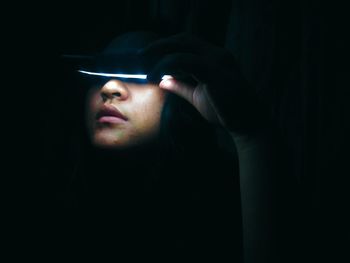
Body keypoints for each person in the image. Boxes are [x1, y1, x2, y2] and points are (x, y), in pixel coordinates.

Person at [51, 31, 280, 262]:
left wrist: (249, 135)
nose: (109, 87)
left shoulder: (225, 201)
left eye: (136, 73)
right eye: (99, 75)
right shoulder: (57, 201)